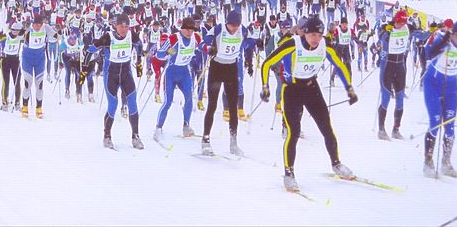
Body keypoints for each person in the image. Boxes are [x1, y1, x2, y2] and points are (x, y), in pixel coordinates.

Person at [260, 16, 358, 191]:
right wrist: (265, 86)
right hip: (292, 90)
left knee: (326, 128)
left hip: (312, 88)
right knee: (294, 132)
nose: (316, 39)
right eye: (312, 35)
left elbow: (339, 65)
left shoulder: (324, 45)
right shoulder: (292, 44)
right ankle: (289, 173)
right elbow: (267, 63)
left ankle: (336, 163)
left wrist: (349, 87)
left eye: (319, 35)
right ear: (304, 33)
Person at [80, 13, 144, 150]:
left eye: (127, 26)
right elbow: (91, 49)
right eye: (122, 26)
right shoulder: (108, 37)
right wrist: (85, 67)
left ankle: (135, 136)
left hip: (126, 73)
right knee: (113, 105)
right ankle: (107, 136)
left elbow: (139, 45)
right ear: (115, 25)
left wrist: (139, 63)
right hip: (111, 75)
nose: (124, 29)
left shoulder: (131, 35)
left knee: (133, 103)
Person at [201, 10, 255, 157]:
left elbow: (251, 42)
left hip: (231, 67)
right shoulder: (218, 29)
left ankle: (233, 142)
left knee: (233, 107)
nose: (234, 28)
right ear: (226, 22)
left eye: (236, 25)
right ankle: (205, 140)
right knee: (212, 105)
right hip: (217, 68)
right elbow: (203, 42)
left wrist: (251, 54)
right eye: (232, 25)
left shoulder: (242, 30)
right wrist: (209, 48)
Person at [153, 17, 202, 140]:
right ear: (183, 29)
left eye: (192, 30)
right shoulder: (174, 38)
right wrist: (167, 52)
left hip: (185, 72)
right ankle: (158, 128)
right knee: (168, 102)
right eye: (188, 30)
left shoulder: (196, 37)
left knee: (189, 98)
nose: (190, 33)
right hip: (171, 73)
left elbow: (203, 47)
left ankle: (186, 125)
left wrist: (210, 50)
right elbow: (159, 54)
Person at [422, 20, 457, 178]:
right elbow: (430, 52)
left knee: (450, 127)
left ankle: (446, 162)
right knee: (435, 123)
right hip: (433, 85)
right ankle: (428, 161)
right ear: (454, 34)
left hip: (451, 88)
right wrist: (444, 41)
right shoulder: (443, 39)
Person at [377, 10, 411, 140]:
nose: (400, 25)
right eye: (398, 22)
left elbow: (422, 35)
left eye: (403, 23)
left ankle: (396, 129)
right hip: (388, 66)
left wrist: (431, 32)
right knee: (386, 97)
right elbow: (380, 36)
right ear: (395, 20)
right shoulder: (387, 29)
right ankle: (381, 129)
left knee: (400, 98)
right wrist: (386, 31)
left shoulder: (408, 27)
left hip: (400, 65)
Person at [21, 16, 60, 118]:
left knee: (39, 84)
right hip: (27, 58)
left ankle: (39, 108)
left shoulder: (46, 27)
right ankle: (25, 106)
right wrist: (22, 32)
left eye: (40, 25)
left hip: (40, 59)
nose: (38, 27)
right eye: (36, 25)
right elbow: (18, 35)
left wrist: (59, 35)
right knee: (27, 83)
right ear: (33, 24)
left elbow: (56, 36)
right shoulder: (29, 27)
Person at [0, 22, 24, 111]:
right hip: (5, 60)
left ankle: (17, 103)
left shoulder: (21, 37)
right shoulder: (5, 36)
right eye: (14, 30)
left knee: (17, 82)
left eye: (17, 31)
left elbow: (28, 39)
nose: (15, 32)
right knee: (6, 82)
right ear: (11, 29)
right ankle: (4, 102)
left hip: (15, 60)